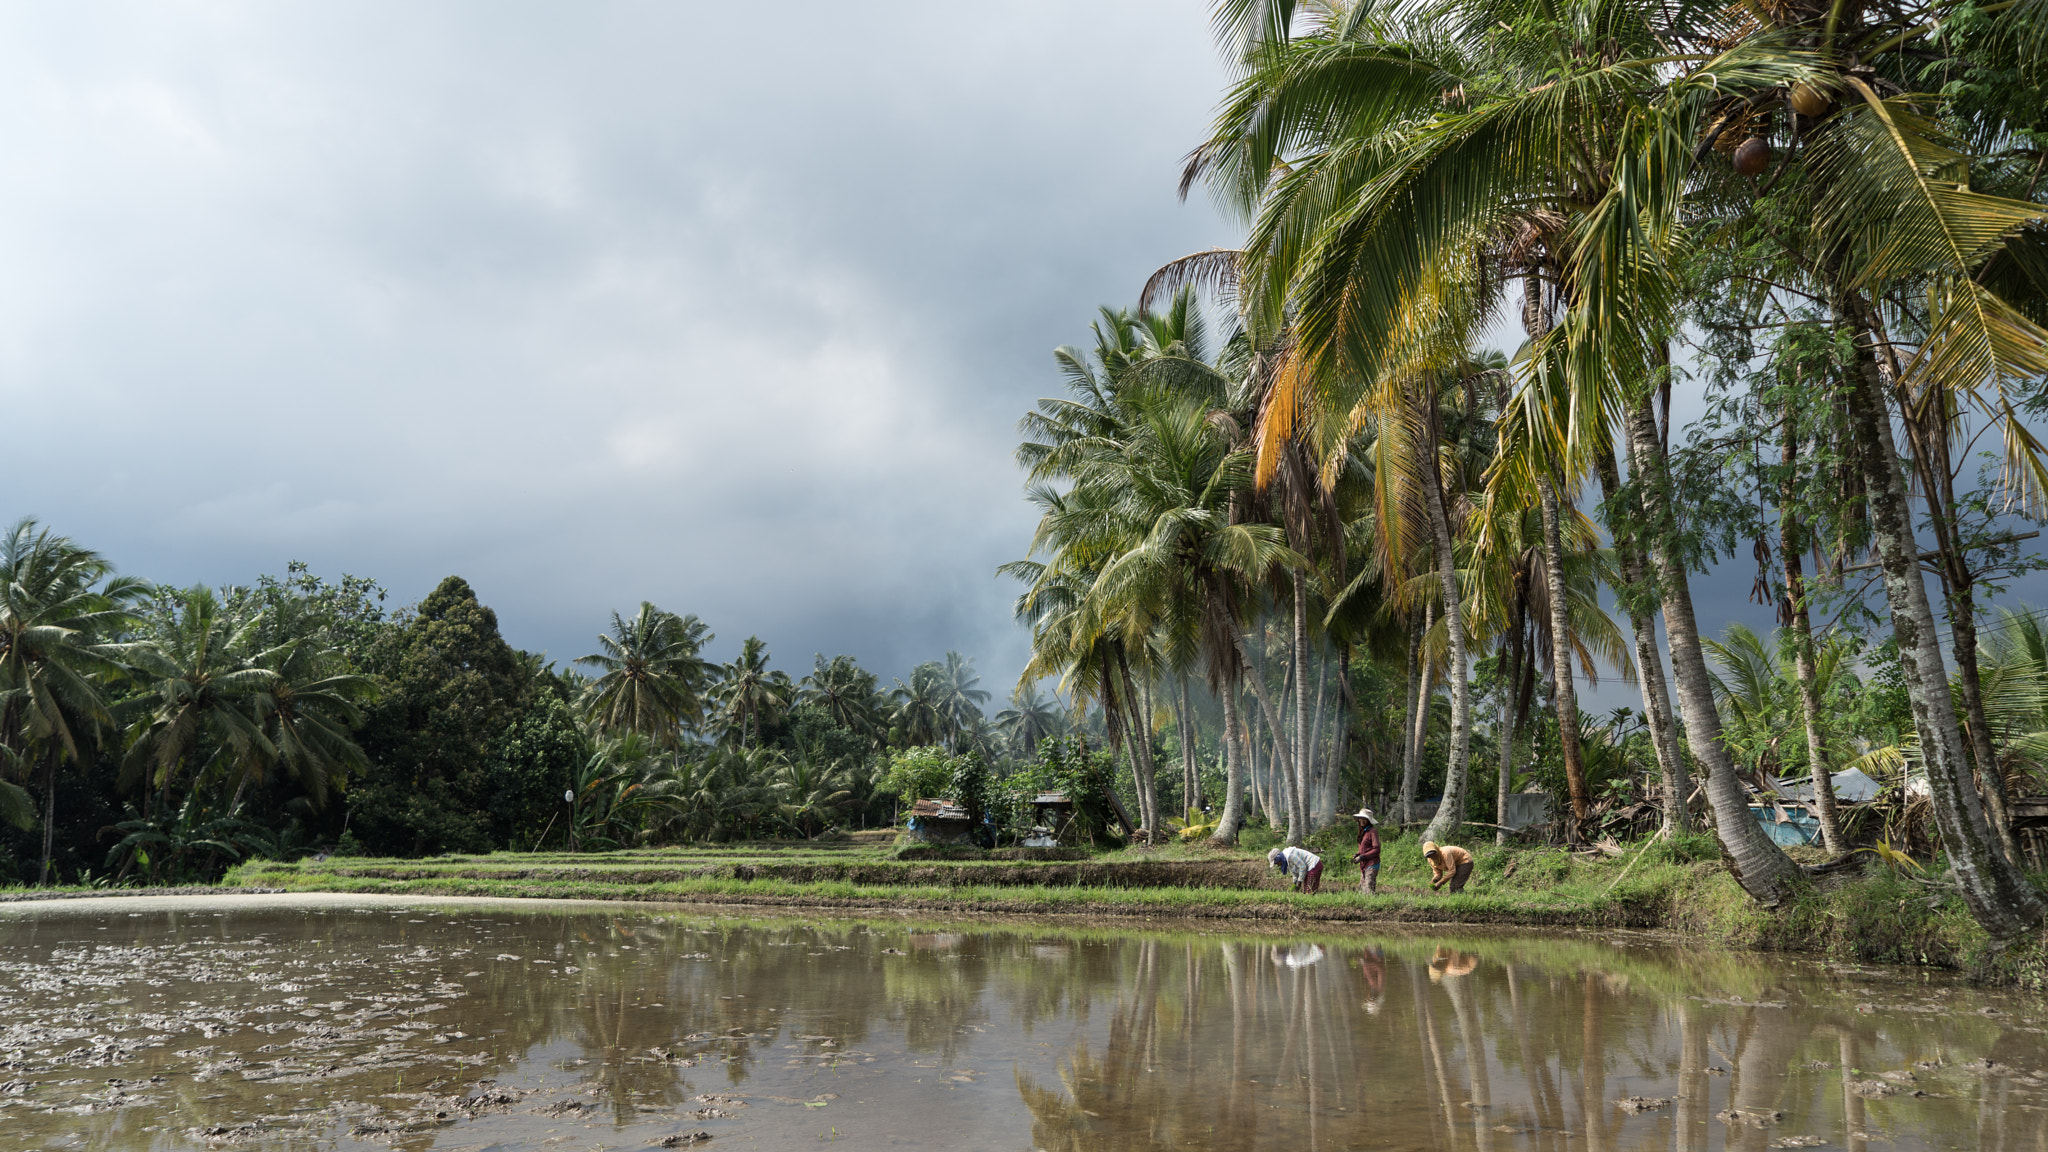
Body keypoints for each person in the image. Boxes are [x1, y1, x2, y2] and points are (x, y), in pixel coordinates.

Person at [1350, 807, 1381, 894]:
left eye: (1364, 819)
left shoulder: (1372, 832)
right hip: (1364, 864)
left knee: (1368, 890)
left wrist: (1363, 856)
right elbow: (1363, 849)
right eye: (1361, 818)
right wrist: (1357, 855)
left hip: (1372, 864)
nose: (1362, 821)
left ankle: (1373, 905)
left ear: (1368, 820)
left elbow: (1376, 849)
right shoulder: (1363, 832)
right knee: (1362, 890)